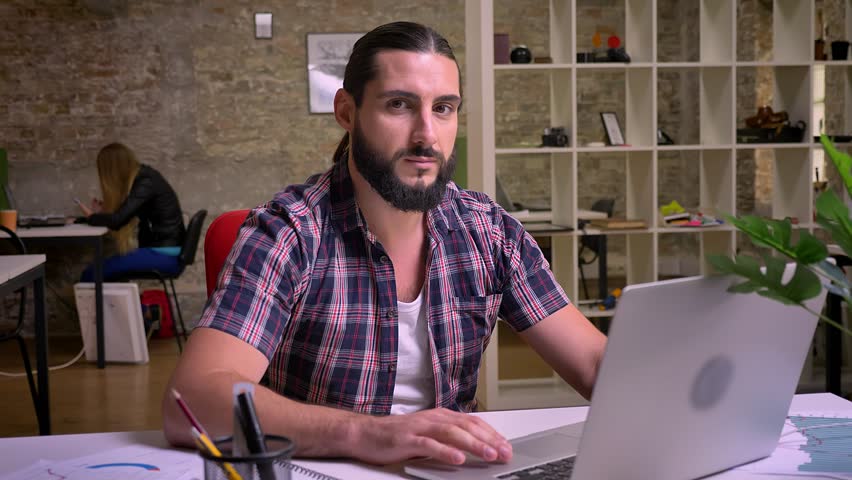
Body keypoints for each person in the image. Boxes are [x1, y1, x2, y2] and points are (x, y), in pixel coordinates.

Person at [163, 21, 606, 466]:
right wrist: (366, 433)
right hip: (324, 469)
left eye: (444, 108)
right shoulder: (289, 233)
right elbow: (193, 399)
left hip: (452, 473)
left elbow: (592, 363)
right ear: (347, 112)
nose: (427, 135)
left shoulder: (489, 232)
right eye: (399, 105)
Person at [78, 142, 185, 282]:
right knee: (108, 274)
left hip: (164, 255)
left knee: (91, 274)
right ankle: (127, 305)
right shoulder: (144, 178)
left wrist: (93, 217)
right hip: (165, 251)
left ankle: (120, 305)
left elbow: (118, 220)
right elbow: (122, 216)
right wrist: (101, 214)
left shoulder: (145, 182)